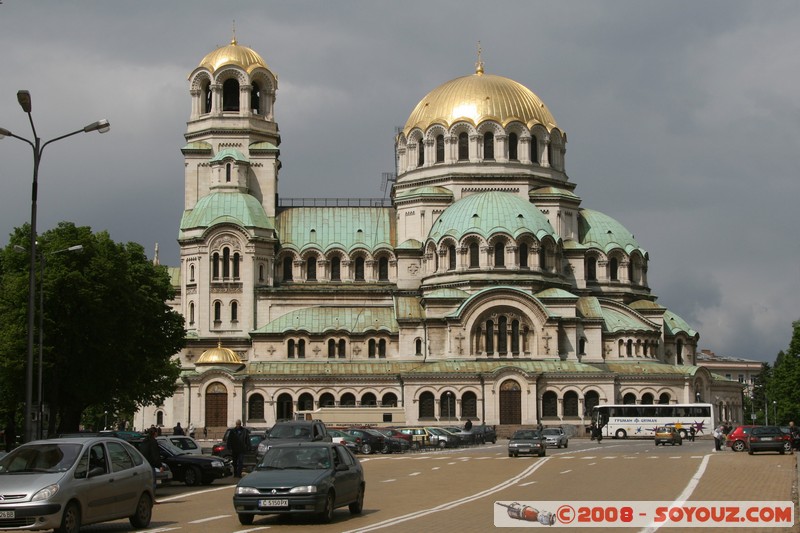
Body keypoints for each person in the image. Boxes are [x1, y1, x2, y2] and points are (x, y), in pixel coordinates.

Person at [140, 427, 162, 496]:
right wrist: (159, 465)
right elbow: (155, 454)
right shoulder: (153, 442)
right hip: (151, 464)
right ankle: (152, 498)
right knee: (153, 482)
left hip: (144, 464)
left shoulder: (145, 441)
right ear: (155, 433)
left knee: (146, 482)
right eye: (157, 432)